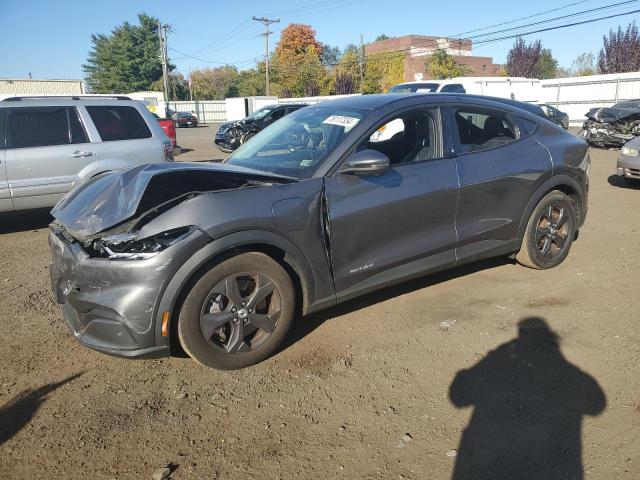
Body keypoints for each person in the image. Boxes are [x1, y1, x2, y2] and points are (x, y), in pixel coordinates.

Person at [449, 317, 606, 480]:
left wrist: (464, 374)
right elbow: (597, 405)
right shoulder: (568, 372)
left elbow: (458, 397)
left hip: (492, 457)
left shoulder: (501, 356)